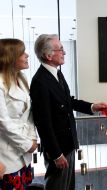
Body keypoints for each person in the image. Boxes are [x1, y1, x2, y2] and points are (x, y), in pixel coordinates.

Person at [30, 34, 107, 190]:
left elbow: (68, 101)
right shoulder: (40, 81)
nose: (64, 53)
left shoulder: (56, 73)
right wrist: (56, 154)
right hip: (58, 150)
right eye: (61, 49)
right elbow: (43, 123)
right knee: (57, 186)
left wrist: (92, 107)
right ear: (48, 55)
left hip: (68, 144)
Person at [0, 38, 38, 189]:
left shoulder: (22, 80)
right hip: (5, 155)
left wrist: (32, 139)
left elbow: (29, 115)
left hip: (23, 154)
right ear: (10, 57)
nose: (27, 55)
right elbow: (3, 123)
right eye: (22, 53)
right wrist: (27, 144)